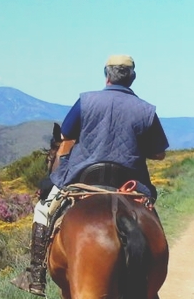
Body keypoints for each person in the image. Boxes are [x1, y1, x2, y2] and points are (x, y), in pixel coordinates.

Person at [11, 54, 170, 297]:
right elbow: (159, 153)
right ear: (132, 78)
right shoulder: (147, 110)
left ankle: (35, 276)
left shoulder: (86, 101)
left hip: (83, 177)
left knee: (42, 210)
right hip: (130, 183)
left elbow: (65, 135)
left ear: (106, 74)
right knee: (148, 216)